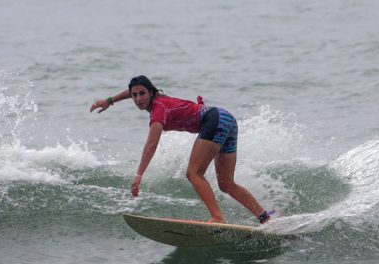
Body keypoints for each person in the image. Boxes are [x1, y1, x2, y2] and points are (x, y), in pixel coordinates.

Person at [90, 75, 274, 224]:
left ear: (151, 93)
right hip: (227, 119)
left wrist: (139, 175)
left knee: (193, 174)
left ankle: (218, 218)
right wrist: (109, 100)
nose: (138, 99)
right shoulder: (159, 99)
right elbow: (133, 91)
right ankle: (265, 218)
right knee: (226, 184)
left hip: (213, 120)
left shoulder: (158, 110)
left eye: (142, 94)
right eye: (135, 95)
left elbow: (151, 145)